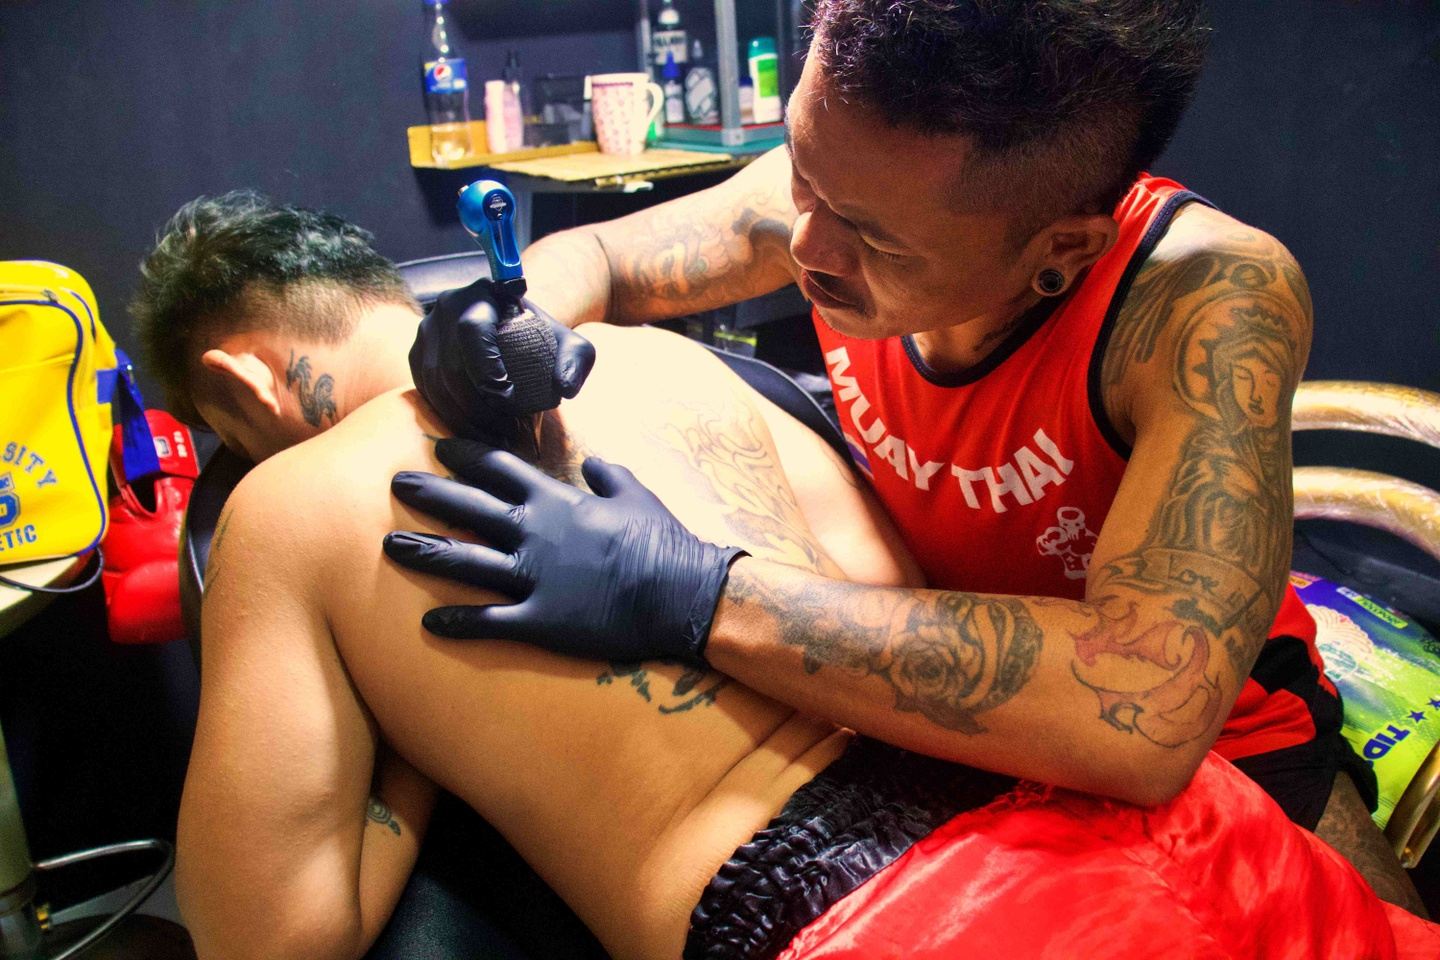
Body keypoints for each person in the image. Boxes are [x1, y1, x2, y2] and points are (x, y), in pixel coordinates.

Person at [132, 193, 1439, 960]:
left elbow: (272, 941)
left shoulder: (284, 515)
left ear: (242, 384)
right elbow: (898, 592)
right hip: (1144, 821)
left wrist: (401, 732)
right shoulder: (675, 361)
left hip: (904, 923)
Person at [390, 0, 1424, 912]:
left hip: (1216, 755)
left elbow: (1140, 716)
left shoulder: (1209, 296)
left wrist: (699, 595)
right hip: (936, 714)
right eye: (802, 174)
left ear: (1062, 249)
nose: (805, 246)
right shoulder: (847, 183)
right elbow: (604, 256)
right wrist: (510, 316)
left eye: (876, 243)